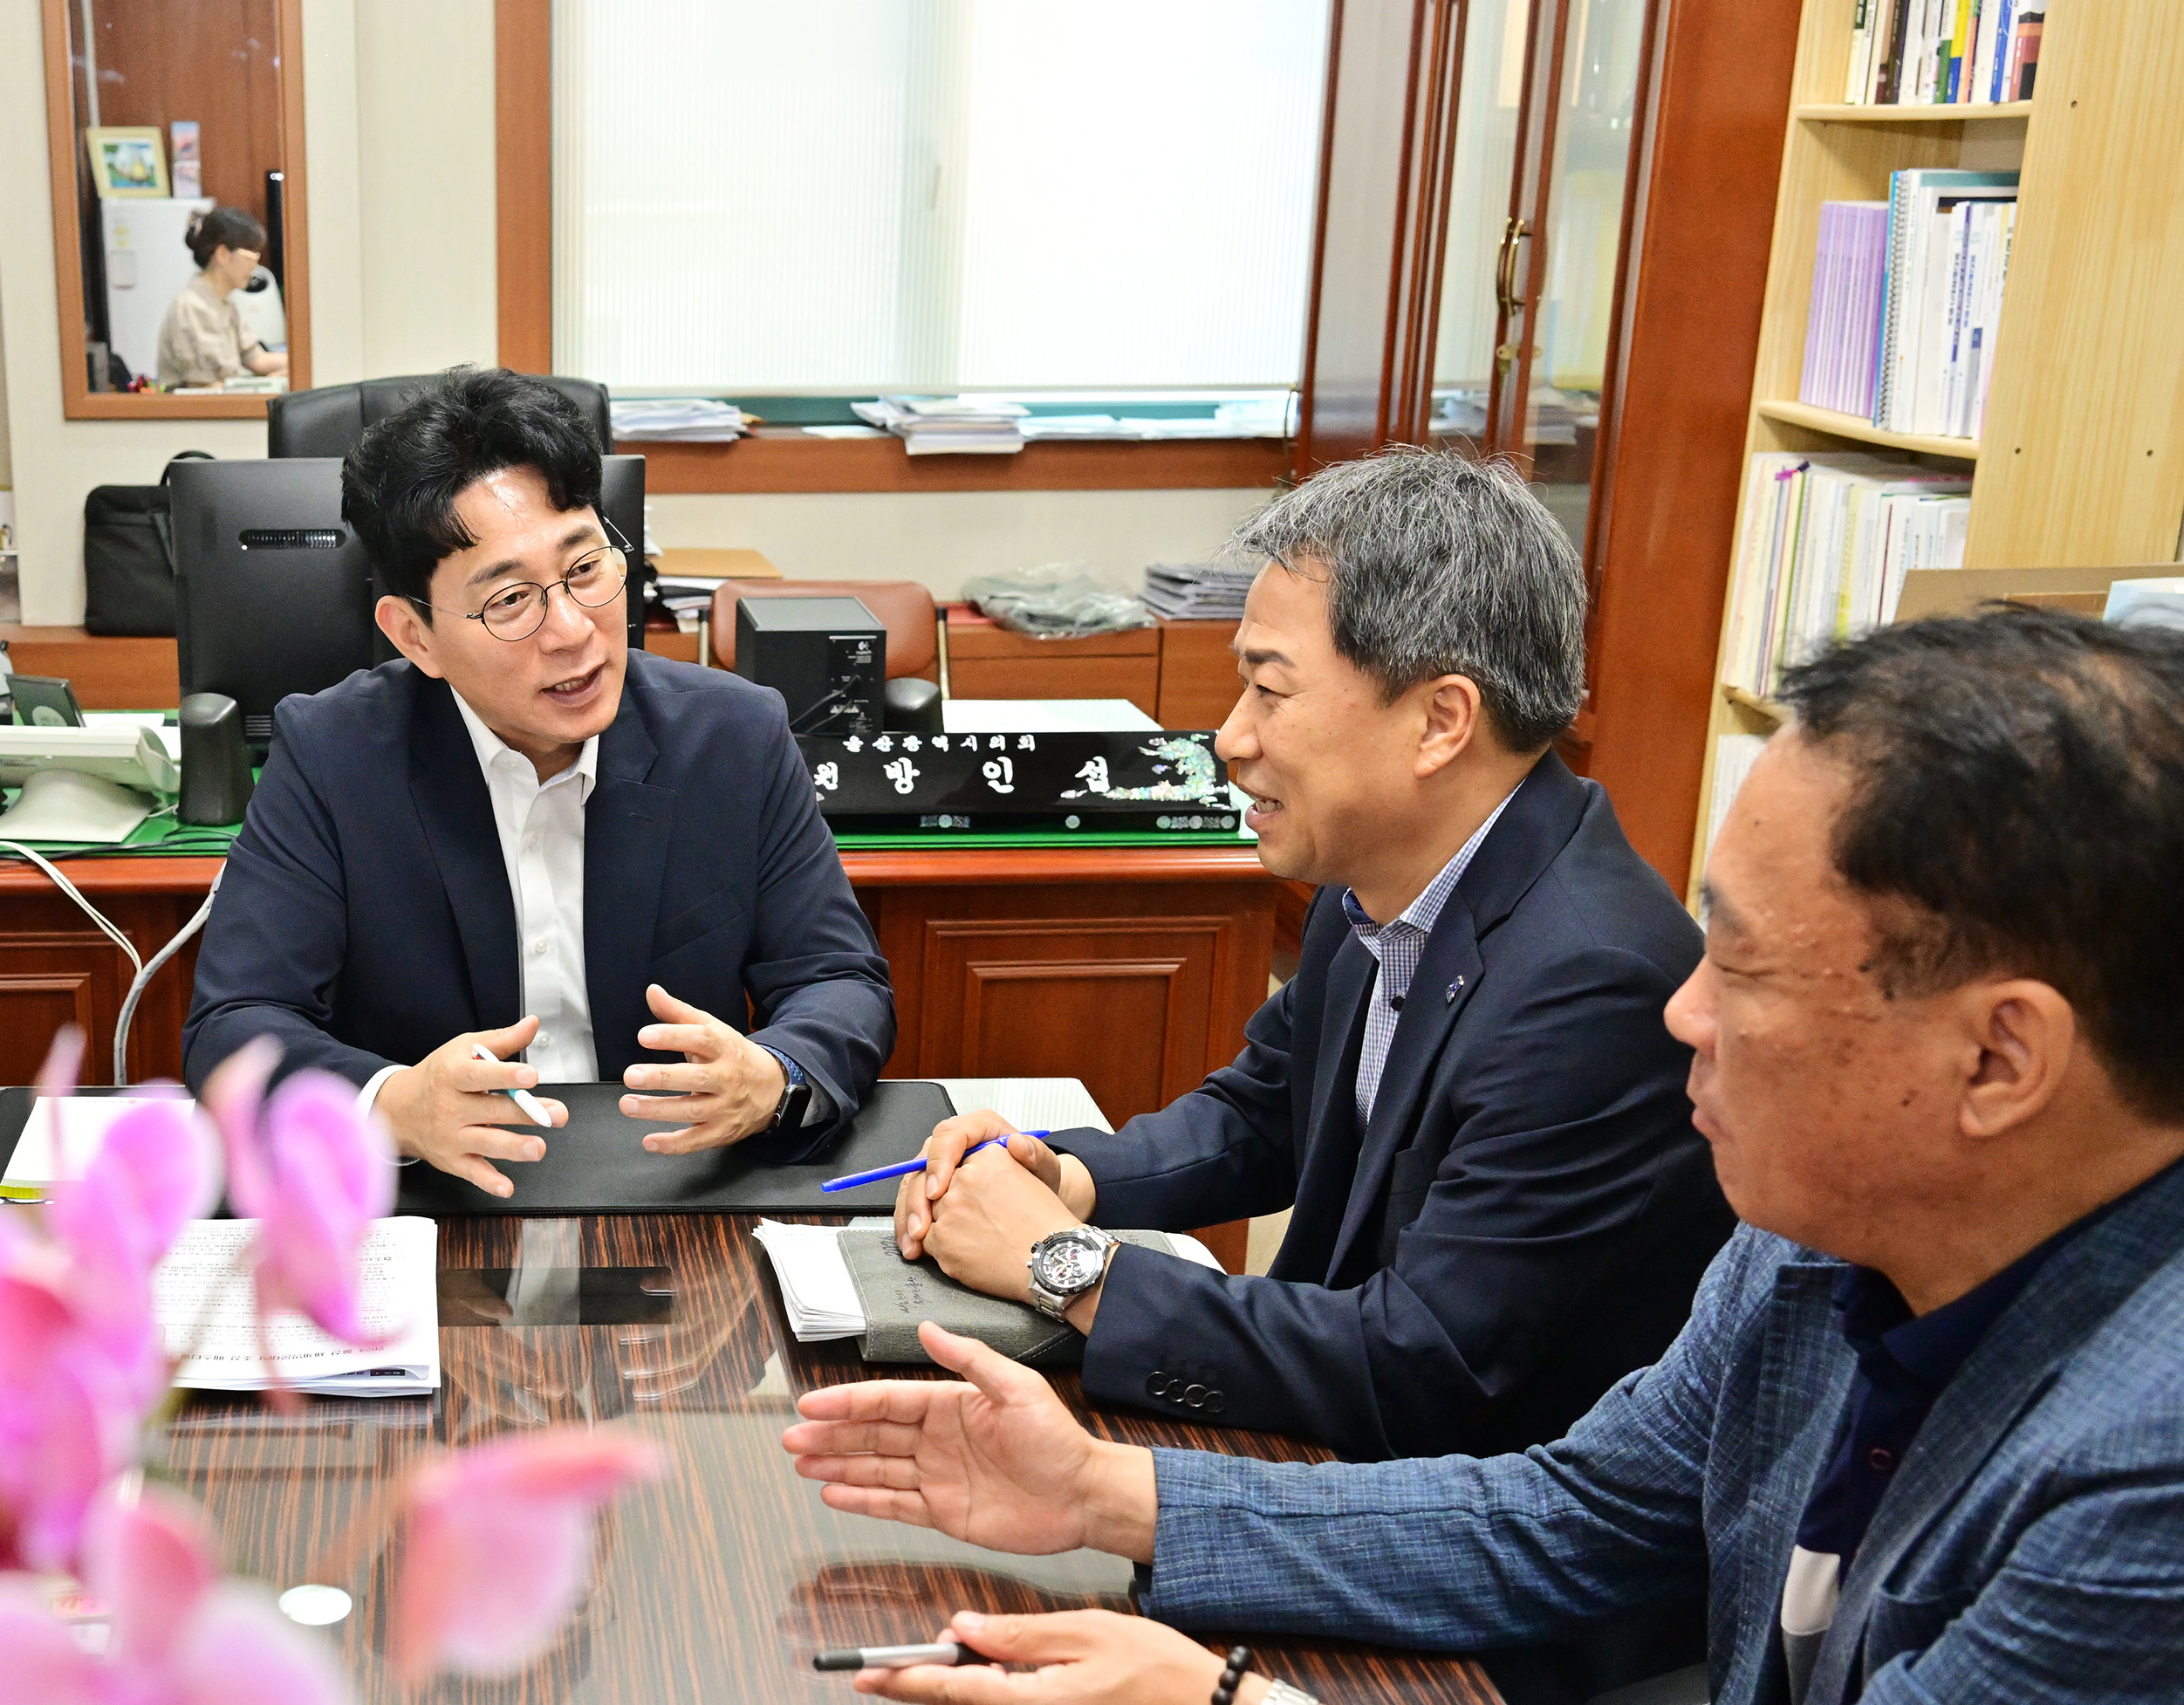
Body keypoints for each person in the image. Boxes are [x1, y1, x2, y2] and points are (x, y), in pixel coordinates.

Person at [784, 608, 2184, 1705]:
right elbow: (1565, 1513)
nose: (1682, 1011)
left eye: (1745, 965)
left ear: (2002, 1057)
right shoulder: (1828, 1226)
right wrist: (1103, 1495)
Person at [889, 448, 1727, 1459]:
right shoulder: (1382, 872)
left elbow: (1423, 1364)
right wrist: (1064, 1176)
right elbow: (1264, 1116)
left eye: (1269, 692)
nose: (1228, 739)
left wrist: (1063, 1265)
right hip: (1328, 1450)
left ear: (1439, 721)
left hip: (1452, 1526)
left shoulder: (1594, 985)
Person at [181, 368, 893, 1190]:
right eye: (511, 599)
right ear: (414, 636)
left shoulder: (734, 737)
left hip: (676, 1187)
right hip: (439, 1207)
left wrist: (773, 1076)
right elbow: (235, 1025)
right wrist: (394, 1103)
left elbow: (838, 980)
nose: (571, 631)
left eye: (586, 568)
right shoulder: (333, 755)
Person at [155, 207, 284, 390]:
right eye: (251, 255)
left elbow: (256, 359)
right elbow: (205, 385)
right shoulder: (191, 307)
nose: (255, 265)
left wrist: (300, 365)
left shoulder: (225, 305)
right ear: (223, 254)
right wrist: (269, 381)